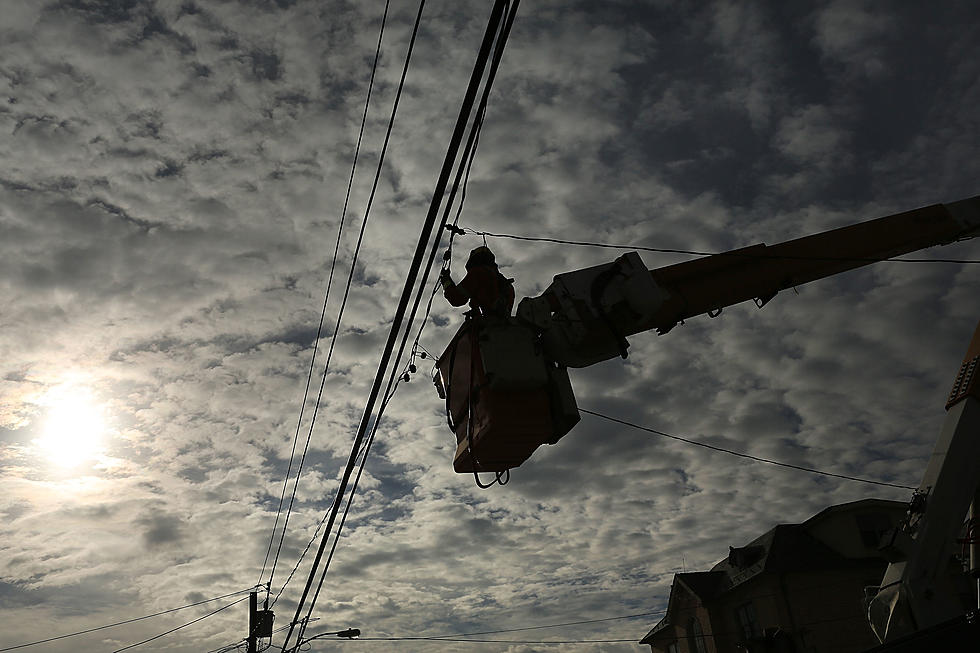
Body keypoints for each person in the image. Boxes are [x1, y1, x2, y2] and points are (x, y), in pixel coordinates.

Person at [439, 246, 515, 317]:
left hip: (490, 327)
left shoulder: (478, 273)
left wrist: (446, 281)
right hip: (504, 326)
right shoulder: (506, 284)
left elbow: (457, 298)